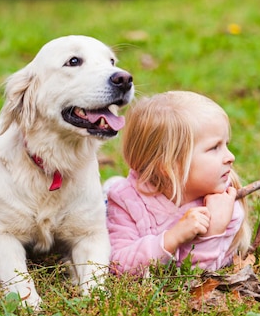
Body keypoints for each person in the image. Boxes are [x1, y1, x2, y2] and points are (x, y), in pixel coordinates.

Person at [105, 91, 251, 276]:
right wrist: (170, 239)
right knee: (104, 205)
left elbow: (196, 274)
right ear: (169, 166)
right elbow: (118, 265)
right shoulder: (126, 200)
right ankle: (105, 195)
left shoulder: (223, 203)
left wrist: (214, 231)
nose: (231, 157)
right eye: (214, 147)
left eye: (226, 144)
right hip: (112, 203)